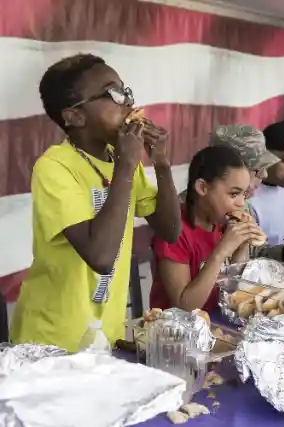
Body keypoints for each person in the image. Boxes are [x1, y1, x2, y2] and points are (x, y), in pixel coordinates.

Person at [10, 54, 182, 351]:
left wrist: (162, 164)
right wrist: (126, 166)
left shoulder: (122, 160)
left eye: (126, 91)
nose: (127, 101)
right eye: (113, 93)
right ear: (74, 116)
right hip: (53, 340)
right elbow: (101, 257)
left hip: (104, 333)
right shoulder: (54, 167)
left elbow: (170, 230)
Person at [150, 145, 265, 312]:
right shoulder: (174, 231)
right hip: (176, 331)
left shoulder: (222, 223)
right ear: (203, 188)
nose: (241, 203)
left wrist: (242, 246)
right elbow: (185, 306)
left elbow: (232, 291)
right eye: (233, 194)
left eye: (244, 195)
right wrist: (221, 252)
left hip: (216, 322)